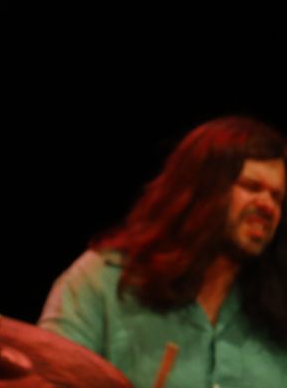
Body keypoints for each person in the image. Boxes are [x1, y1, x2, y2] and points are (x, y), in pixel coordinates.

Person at [40, 116, 287, 388]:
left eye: (277, 197)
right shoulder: (104, 283)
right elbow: (46, 378)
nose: (268, 206)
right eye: (252, 187)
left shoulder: (276, 314)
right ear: (202, 190)